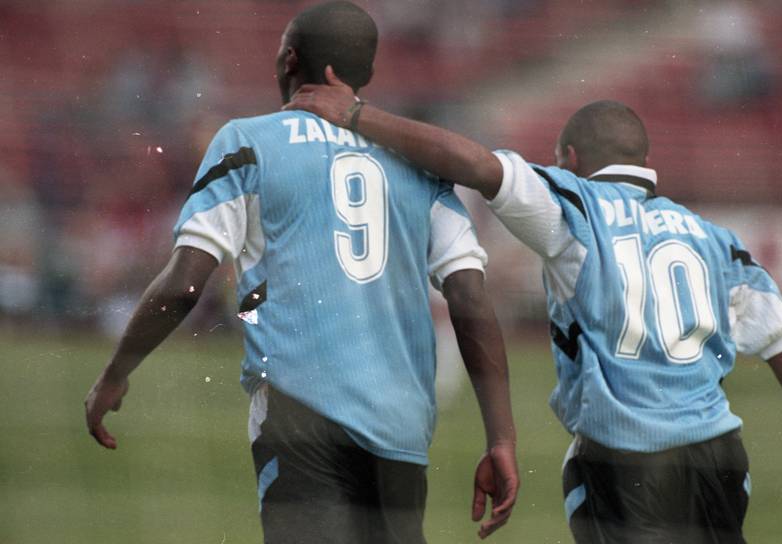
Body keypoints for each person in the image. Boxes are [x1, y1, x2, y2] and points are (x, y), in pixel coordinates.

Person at [285, 69, 782, 543]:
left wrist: (357, 115)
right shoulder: (714, 238)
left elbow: (477, 164)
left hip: (626, 460)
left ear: (568, 157)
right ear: (644, 161)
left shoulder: (573, 205)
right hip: (720, 456)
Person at [84, 3, 519, 543]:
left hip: (300, 411)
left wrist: (115, 372)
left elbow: (186, 281)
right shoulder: (419, 163)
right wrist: (501, 437)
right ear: (367, 75)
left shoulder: (248, 141)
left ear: (291, 60)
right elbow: (471, 301)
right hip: (401, 422)